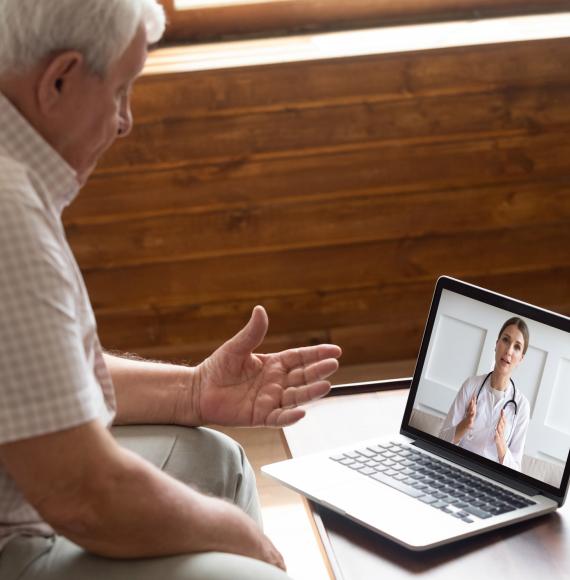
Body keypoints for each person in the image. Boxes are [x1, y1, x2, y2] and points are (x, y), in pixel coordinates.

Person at [0, 2, 342, 579]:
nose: (125, 120)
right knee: (252, 566)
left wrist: (193, 391)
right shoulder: (8, 215)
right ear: (59, 78)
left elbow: (32, 376)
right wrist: (237, 536)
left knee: (218, 463)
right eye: (121, 91)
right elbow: (85, 496)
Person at [439, 317, 531, 471]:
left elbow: (516, 471)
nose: (508, 351)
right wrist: (465, 424)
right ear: (496, 344)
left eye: (517, 347)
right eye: (506, 340)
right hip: (458, 468)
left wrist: (501, 444)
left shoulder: (522, 407)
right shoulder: (471, 385)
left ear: (521, 358)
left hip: (492, 480)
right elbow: (440, 440)